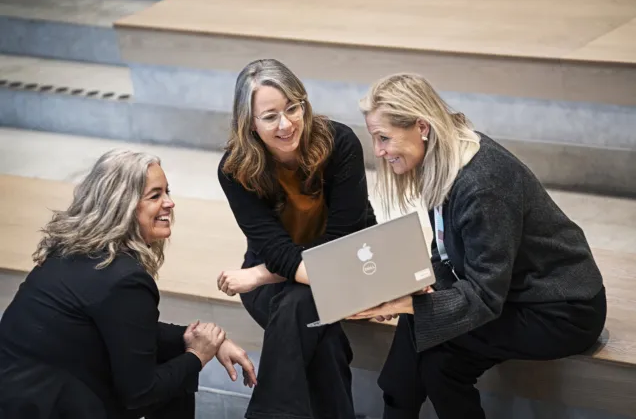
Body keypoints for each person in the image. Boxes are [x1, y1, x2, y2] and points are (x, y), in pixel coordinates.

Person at [348, 73, 607, 419]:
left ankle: (395, 409)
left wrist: (410, 302)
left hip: (561, 310)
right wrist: (410, 286)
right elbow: (444, 253)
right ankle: (396, 407)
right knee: (437, 357)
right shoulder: (441, 159)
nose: (378, 151)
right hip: (516, 296)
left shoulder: (482, 184)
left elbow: (485, 294)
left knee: (429, 335)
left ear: (421, 127)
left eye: (384, 138)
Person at [0, 150, 257, 419]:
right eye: (155, 196)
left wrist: (201, 339)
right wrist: (197, 355)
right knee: (176, 370)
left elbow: (126, 330)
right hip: (55, 406)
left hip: (20, 396)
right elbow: (140, 393)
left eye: (167, 192)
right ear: (122, 204)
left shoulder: (72, 247)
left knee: (172, 359)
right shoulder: (124, 279)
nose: (169, 203)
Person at [216, 59, 376, 419]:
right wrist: (272, 270)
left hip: (347, 264)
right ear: (249, 123)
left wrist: (258, 275)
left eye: (293, 108)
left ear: (305, 104)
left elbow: (343, 242)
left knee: (300, 303)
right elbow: (278, 252)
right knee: (321, 332)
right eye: (270, 116)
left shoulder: (339, 143)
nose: (286, 124)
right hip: (282, 270)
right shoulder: (235, 169)